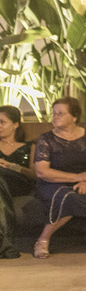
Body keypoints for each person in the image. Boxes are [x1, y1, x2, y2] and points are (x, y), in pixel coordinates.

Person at [31, 97, 86, 260]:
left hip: (85, 182)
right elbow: (42, 172)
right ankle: (42, 240)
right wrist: (77, 177)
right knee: (69, 197)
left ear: (74, 117)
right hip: (54, 183)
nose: (55, 116)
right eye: (54, 113)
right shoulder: (46, 139)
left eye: (60, 113)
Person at [0, 105, 33, 258]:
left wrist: (11, 166)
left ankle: (6, 245)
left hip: (19, 183)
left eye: (2, 122)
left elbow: (35, 174)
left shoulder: (29, 146)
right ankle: (6, 246)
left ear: (15, 124)